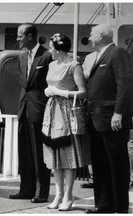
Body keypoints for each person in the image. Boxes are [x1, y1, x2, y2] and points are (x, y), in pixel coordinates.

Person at [85, 24, 133, 214]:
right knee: (100, 163)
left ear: (102, 36)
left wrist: (118, 113)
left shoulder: (118, 53)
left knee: (117, 163)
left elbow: (125, 85)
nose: (89, 38)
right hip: (96, 119)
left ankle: (120, 207)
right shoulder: (97, 57)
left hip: (112, 119)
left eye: (91, 35)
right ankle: (103, 204)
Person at [42, 33, 89, 211]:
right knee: (54, 156)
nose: (49, 50)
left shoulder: (73, 65)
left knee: (68, 156)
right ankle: (58, 194)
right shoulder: (52, 64)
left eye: (51, 47)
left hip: (67, 111)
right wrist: (49, 91)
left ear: (58, 48)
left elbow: (83, 92)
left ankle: (68, 197)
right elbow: (49, 84)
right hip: (52, 111)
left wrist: (61, 93)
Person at [9, 23, 52, 203]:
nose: (17, 39)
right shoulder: (22, 57)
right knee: (24, 151)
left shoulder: (47, 56)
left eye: (20, 35)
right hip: (23, 108)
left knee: (39, 152)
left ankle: (41, 192)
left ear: (29, 36)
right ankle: (26, 189)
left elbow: (49, 83)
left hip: (39, 109)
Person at [80, 51, 98, 189]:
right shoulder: (90, 56)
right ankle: (93, 177)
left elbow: (86, 74)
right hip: (88, 107)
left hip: (100, 108)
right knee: (89, 143)